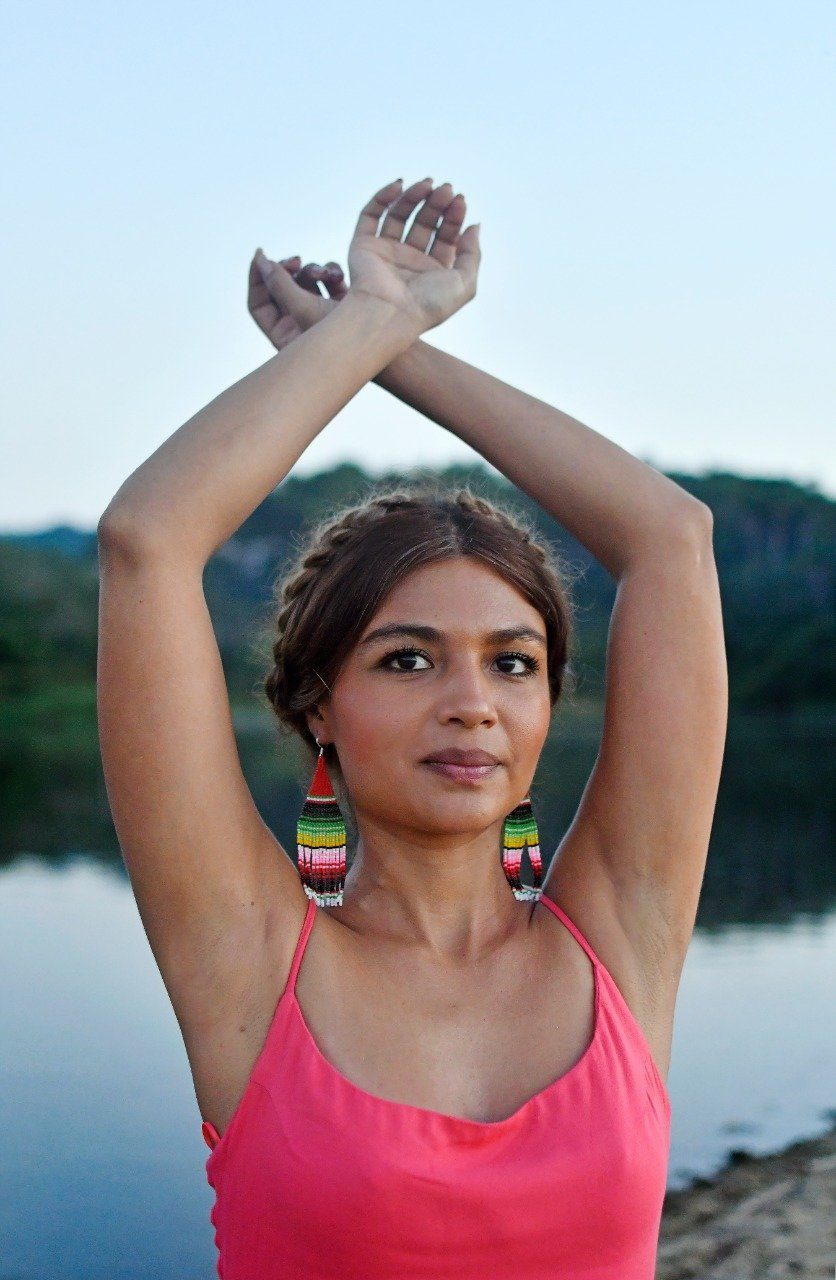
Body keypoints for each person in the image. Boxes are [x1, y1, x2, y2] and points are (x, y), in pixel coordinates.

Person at [96, 176, 728, 1278]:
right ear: (314, 706)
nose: (471, 699)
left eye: (512, 662)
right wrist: (368, 320)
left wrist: (395, 349)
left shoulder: (620, 931)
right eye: (406, 657)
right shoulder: (247, 960)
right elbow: (147, 540)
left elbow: (669, 536)